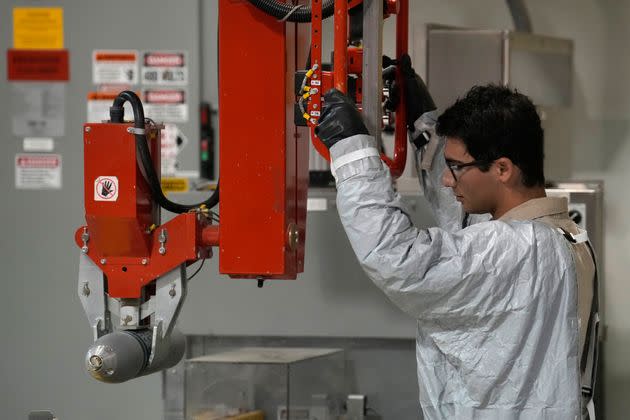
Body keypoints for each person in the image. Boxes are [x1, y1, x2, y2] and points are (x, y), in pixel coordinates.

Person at [315, 55, 599, 419]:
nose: (448, 181)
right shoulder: (564, 238)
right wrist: (424, 128)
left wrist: (351, 151)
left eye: (456, 168)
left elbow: (398, 258)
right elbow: (466, 220)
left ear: (502, 169)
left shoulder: (516, 251)